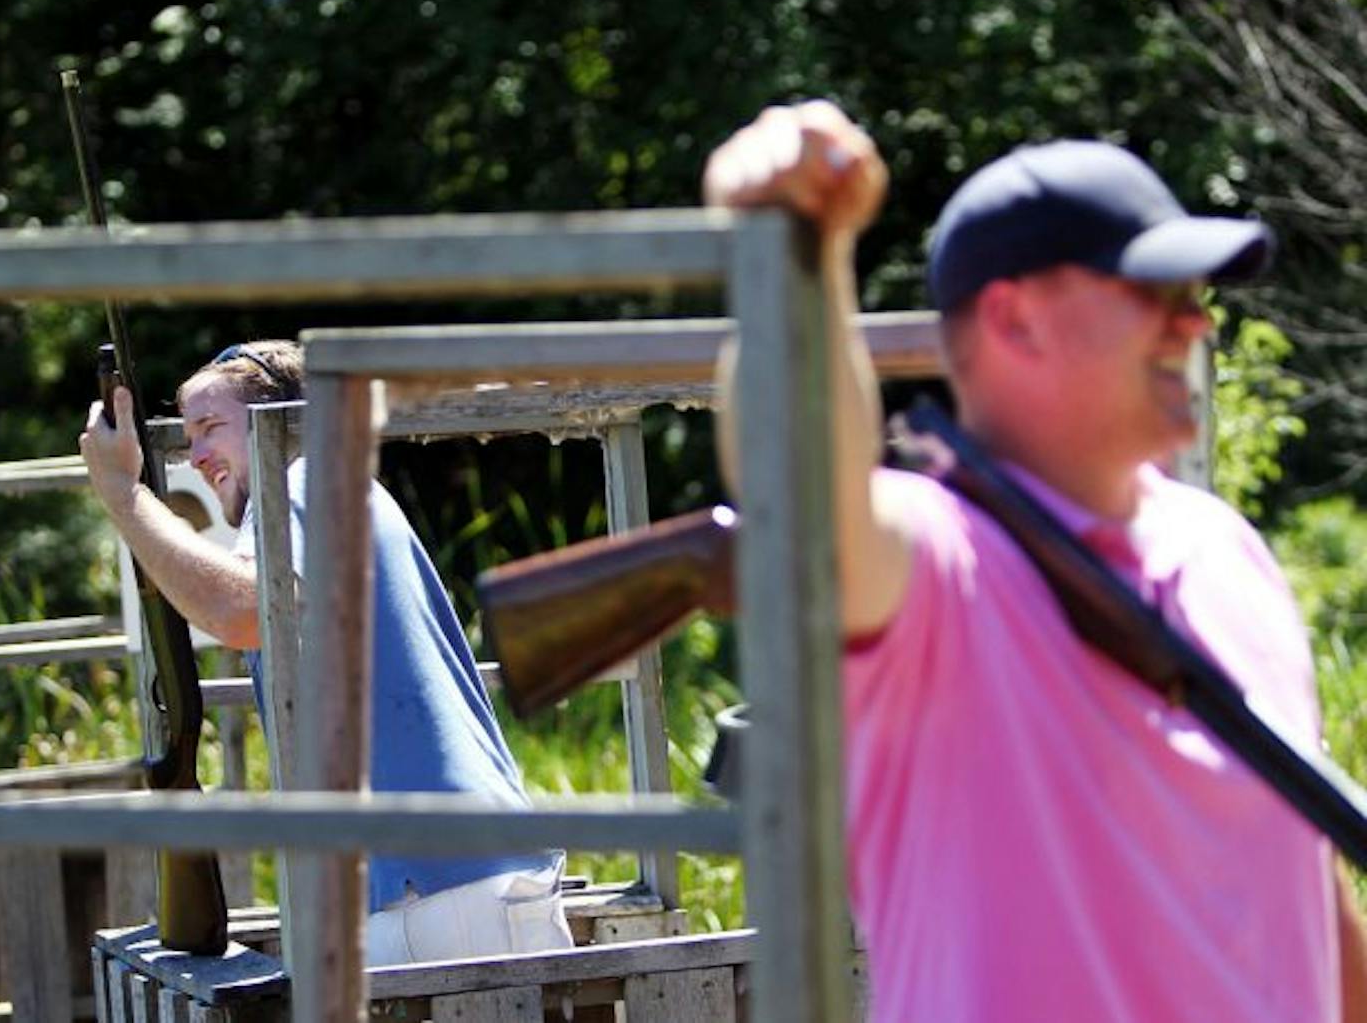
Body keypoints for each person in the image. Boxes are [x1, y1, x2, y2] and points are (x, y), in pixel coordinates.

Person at [704, 101, 1367, 1021]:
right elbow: (800, 491)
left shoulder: (1227, 547)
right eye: (1159, 293)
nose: (1196, 326)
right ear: (1016, 321)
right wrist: (797, 252)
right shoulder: (940, 568)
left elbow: (1303, 868)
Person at [79, 339, 574, 966]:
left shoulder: (302, 476)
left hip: (434, 886)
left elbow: (239, 611)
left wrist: (125, 496)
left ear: (283, 421)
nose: (197, 457)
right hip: (440, 880)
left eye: (211, 428)